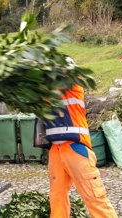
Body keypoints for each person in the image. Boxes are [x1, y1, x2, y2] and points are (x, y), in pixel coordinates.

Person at [45, 84, 118, 218]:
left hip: (76, 148)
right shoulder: (44, 89)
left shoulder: (72, 83)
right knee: (57, 198)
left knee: (93, 197)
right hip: (55, 150)